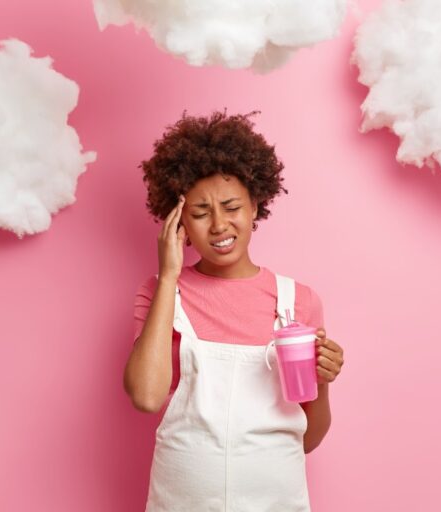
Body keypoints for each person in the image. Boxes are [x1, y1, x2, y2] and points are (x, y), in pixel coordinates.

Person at [125, 110, 345, 511]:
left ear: (256, 204)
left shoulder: (298, 301)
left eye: (231, 207)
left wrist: (323, 380)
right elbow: (146, 395)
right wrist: (168, 275)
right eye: (199, 213)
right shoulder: (161, 294)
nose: (219, 225)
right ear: (179, 222)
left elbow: (308, 438)